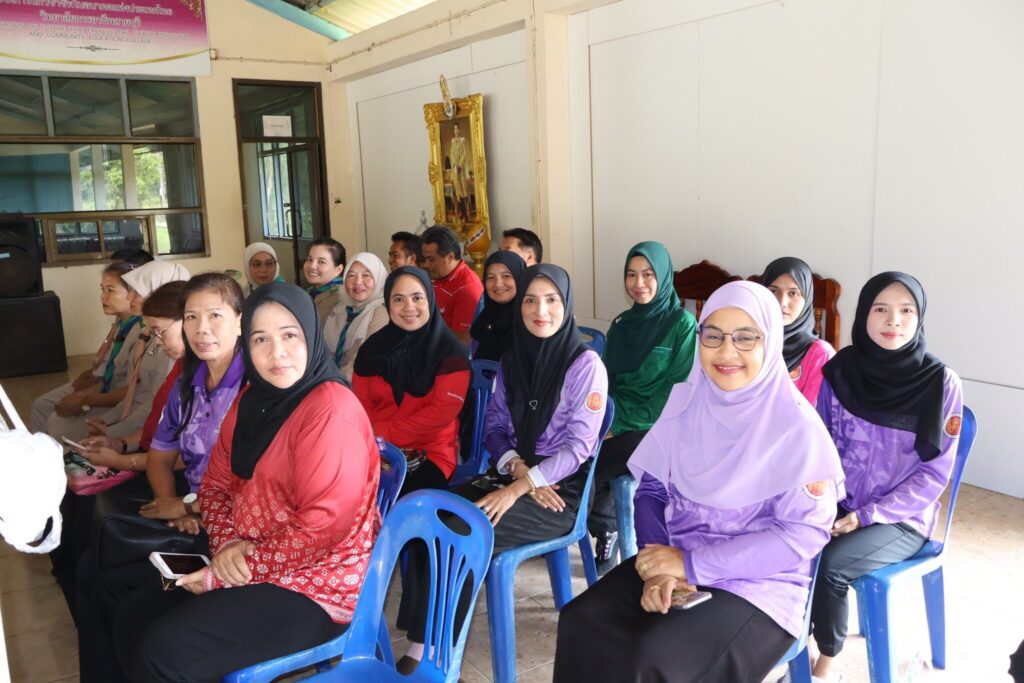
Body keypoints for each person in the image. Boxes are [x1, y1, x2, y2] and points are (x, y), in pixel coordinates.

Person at [554, 281, 844, 683]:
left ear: (771, 342)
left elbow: (800, 536)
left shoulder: (797, 430)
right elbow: (652, 491)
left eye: (746, 337)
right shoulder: (686, 403)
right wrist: (660, 567)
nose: (726, 351)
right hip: (674, 553)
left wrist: (691, 566)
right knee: (581, 622)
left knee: (654, 657)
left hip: (757, 585)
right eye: (713, 335)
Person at [107, 282, 380, 681]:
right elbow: (215, 486)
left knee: (163, 653)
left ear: (311, 336)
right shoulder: (253, 400)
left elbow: (321, 530)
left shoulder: (331, 413)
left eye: (290, 335)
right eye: (260, 339)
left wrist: (229, 570)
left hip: (315, 584)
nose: (276, 352)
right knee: (132, 615)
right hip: (247, 553)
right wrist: (227, 546)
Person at [395, 264, 608, 674]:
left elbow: (578, 448)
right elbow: (493, 428)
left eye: (551, 300)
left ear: (566, 304)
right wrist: (518, 472)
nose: (540, 310)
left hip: (559, 492)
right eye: (530, 300)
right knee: (428, 517)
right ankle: (421, 640)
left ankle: (438, 657)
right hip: (513, 473)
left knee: (462, 532)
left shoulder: (585, 366)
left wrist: (522, 486)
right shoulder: (512, 360)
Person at [76, 273, 246, 683]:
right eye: (191, 317)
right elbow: (160, 454)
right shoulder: (189, 379)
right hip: (193, 509)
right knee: (91, 571)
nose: (201, 329)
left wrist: (189, 507)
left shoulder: (253, 386)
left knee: (123, 598)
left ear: (241, 321)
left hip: (230, 528)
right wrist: (173, 505)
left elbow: (252, 486)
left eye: (215, 316)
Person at [809, 272, 963, 682]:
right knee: (787, 540)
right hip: (840, 502)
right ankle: (788, 636)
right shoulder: (840, 371)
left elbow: (934, 474)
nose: (894, 320)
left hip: (902, 518)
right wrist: (825, 501)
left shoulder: (940, 383)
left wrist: (867, 515)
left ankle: (828, 661)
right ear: (864, 314)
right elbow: (819, 444)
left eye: (906, 310)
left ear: (919, 318)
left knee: (831, 564)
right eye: (881, 309)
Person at [50, 281, 188, 621]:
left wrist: (124, 458)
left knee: (95, 525)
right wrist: (119, 443)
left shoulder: (217, 378)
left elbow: (187, 454)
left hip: (180, 480)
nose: (157, 340)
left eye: (160, 332)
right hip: (154, 461)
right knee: (72, 494)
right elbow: (157, 426)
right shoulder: (184, 368)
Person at [588, 242, 698, 572]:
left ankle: (591, 522)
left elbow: (676, 392)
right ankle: (599, 524)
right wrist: (605, 422)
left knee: (595, 460)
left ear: (663, 276)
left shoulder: (682, 324)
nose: (639, 284)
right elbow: (606, 383)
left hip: (661, 425)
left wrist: (618, 425)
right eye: (631, 275)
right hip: (618, 419)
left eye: (648, 274)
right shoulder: (621, 324)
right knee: (582, 445)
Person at [352, 266, 470, 495]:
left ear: (430, 300)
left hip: (431, 452)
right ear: (388, 303)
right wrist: (376, 447)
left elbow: (439, 414)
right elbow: (360, 405)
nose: (409, 307)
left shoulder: (450, 354)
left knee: (400, 504)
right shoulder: (371, 350)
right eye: (398, 299)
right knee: (345, 494)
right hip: (376, 447)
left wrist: (380, 435)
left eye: (417, 298)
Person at [34, 262, 145, 440]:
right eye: (102, 289)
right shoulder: (122, 323)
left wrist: (86, 399)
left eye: (110, 290)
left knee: (57, 423)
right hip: (108, 386)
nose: (103, 297)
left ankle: (60, 453)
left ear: (133, 293)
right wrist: (92, 379)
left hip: (123, 401)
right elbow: (112, 368)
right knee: (41, 406)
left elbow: (135, 389)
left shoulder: (142, 331)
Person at [761, 256, 836, 405]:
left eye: (793, 293)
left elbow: (812, 415)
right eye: (773, 291)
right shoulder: (748, 342)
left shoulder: (820, 355)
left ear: (807, 299)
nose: (782, 303)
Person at [324, 252, 390, 382]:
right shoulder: (340, 308)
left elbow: (364, 360)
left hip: (356, 383)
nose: (358, 282)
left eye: (366, 275)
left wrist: (333, 382)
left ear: (379, 279)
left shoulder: (382, 312)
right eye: (351, 275)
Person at [420, 225, 483, 345]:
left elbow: (461, 341)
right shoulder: (436, 275)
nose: (425, 265)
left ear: (450, 257)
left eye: (431, 260)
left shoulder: (467, 289)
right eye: (425, 259)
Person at [469, 250, 527, 361]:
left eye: (506, 276)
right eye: (490, 277)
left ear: (520, 277)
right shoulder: (483, 321)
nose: (498, 284)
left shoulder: (530, 324)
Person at [304, 236, 346, 324]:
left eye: (321, 262)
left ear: (338, 269)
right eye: (309, 260)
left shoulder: (340, 297)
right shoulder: (310, 292)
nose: (312, 266)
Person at [448, 122, 471, 219]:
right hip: (455, 169)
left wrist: (460, 165)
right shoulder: (452, 141)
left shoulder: (462, 140)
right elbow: (451, 153)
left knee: (463, 189)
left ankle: (466, 213)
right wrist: (455, 165)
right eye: (454, 129)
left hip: (461, 169)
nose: (456, 131)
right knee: (457, 190)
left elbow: (465, 153)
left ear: (459, 130)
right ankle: (462, 213)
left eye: (457, 128)